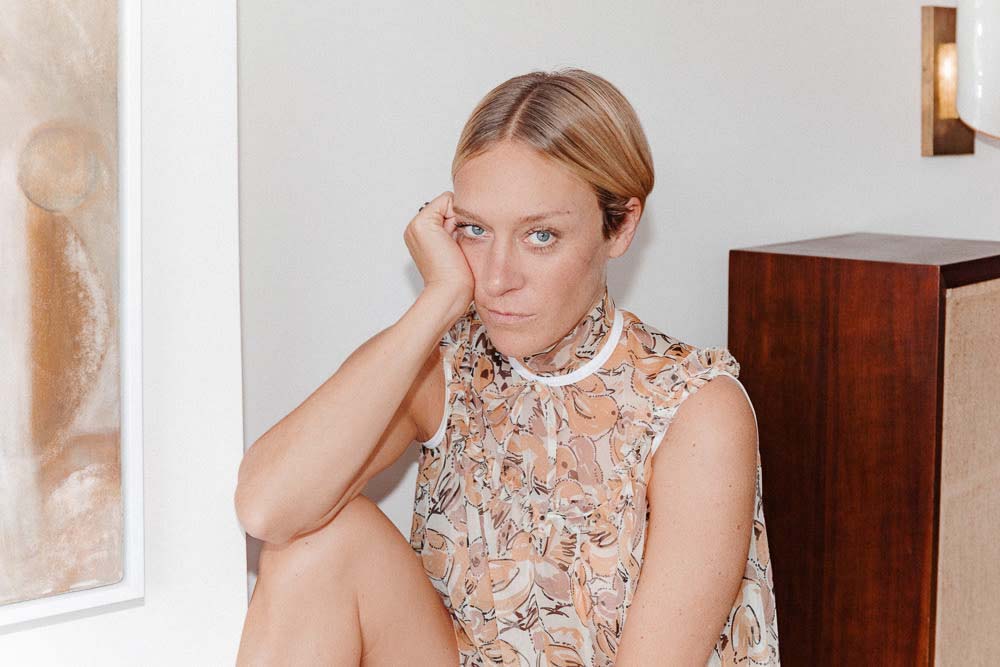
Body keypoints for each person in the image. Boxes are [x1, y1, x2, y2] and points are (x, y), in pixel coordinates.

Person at [234, 67, 779, 666]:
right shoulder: (448, 363)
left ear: (621, 225)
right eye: (474, 230)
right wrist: (439, 300)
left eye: (540, 236)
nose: (496, 279)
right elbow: (268, 508)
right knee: (313, 541)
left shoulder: (694, 407)